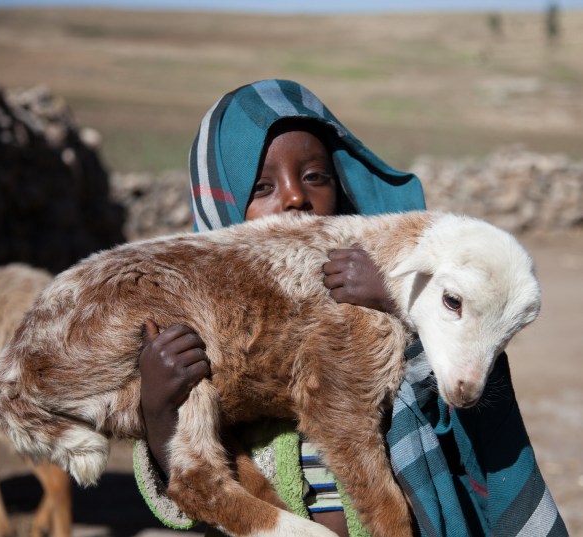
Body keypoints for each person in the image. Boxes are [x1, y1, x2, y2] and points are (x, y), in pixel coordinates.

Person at [133, 79, 567, 537]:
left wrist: (395, 302)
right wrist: (157, 404)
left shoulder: (390, 289)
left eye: (315, 176)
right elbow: (191, 490)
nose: (295, 196)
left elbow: (461, 410)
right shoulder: (202, 327)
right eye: (262, 186)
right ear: (219, 210)